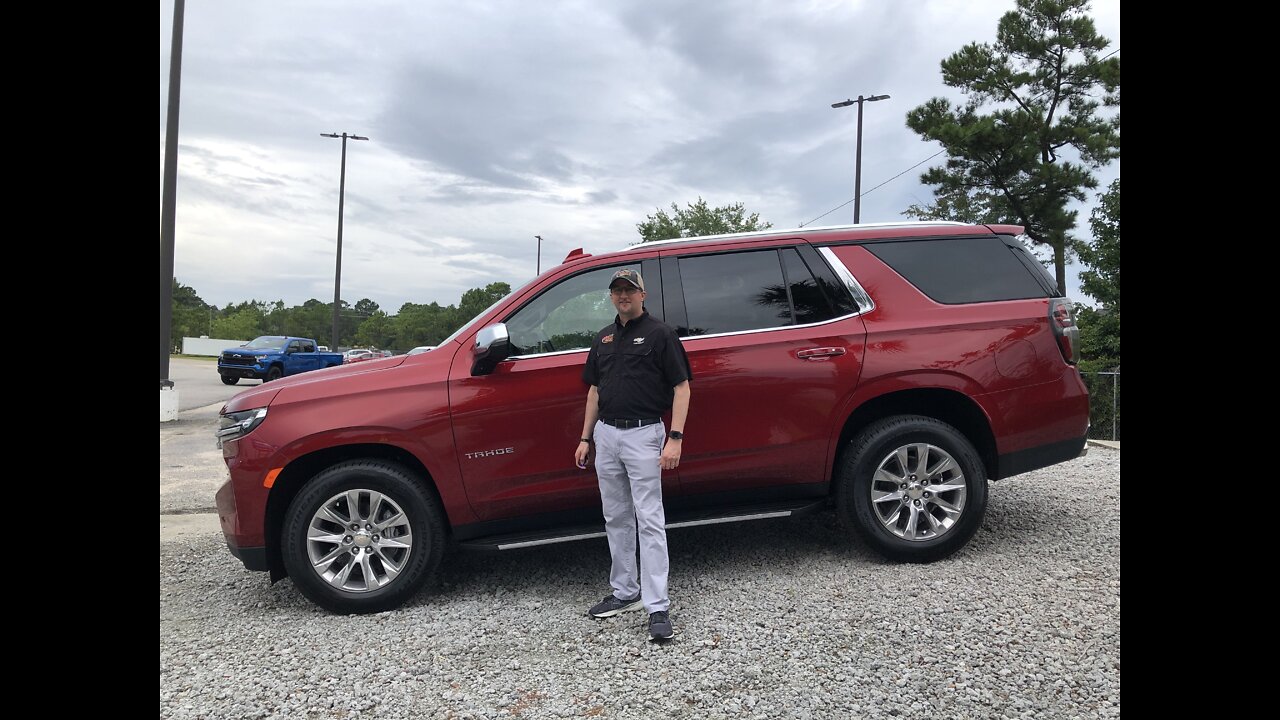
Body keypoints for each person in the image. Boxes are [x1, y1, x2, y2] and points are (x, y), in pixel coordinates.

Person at [575, 268, 691, 642]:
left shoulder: (661, 334)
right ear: (611, 297)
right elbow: (594, 391)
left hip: (644, 434)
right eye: (617, 290)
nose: (623, 295)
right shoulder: (603, 338)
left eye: (630, 289)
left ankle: (657, 606)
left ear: (643, 295)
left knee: (650, 518)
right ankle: (625, 592)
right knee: (616, 516)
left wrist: (675, 437)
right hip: (606, 436)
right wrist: (585, 438)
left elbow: (682, 387)